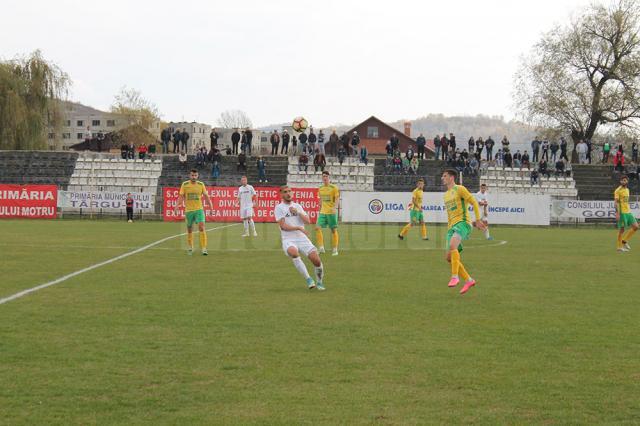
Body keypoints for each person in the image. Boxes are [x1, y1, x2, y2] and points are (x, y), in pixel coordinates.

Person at [441, 169, 486, 295]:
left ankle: (455, 276)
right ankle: (469, 280)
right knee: (448, 258)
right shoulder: (445, 195)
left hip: (463, 223)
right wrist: (449, 229)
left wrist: (477, 219)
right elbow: (450, 214)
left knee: (452, 246)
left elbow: (474, 203)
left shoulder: (460, 189)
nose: (442, 178)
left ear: (451, 177)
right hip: (452, 226)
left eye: (444, 176)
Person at [275, 185, 326, 290]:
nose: (288, 193)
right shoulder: (279, 208)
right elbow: (283, 226)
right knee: (293, 253)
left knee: (316, 261)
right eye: (285, 192)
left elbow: (308, 221)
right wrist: (298, 227)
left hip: (302, 238)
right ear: (281, 194)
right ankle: (308, 279)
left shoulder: (297, 206)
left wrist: (297, 212)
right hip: (288, 239)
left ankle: (319, 282)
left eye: (290, 191)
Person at [175, 169, 213, 255]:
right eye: (192, 175)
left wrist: (211, 207)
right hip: (189, 211)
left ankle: (204, 248)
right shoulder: (185, 185)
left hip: (199, 210)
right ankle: (190, 247)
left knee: (201, 227)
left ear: (197, 176)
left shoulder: (201, 184)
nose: (194, 177)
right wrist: (177, 206)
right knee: (190, 229)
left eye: (195, 175)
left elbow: (206, 196)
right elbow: (181, 197)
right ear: (189, 176)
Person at [316, 171, 340, 256]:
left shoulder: (334, 188)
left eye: (326, 176)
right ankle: (321, 248)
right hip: (323, 212)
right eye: (323, 176)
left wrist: (335, 208)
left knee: (333, 230)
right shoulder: (320, 188)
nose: (324, 178)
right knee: (317, 227)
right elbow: (320, 200)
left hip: (331, 212)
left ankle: (335, 249)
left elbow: (337, 198)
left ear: (329, 177)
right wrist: (319, 209)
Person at [615, 175, 639, 252]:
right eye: (622, 180)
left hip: (628, 212)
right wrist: (618, 213)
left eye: (625, 180)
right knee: (622, 230)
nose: (623, 181)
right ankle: (619, 247)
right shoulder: (618, 190)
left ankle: (624, 241)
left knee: (636, 227)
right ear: (620, 181)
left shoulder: (627, 190)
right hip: (622, 213)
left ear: (627, 181)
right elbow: (616, 203)